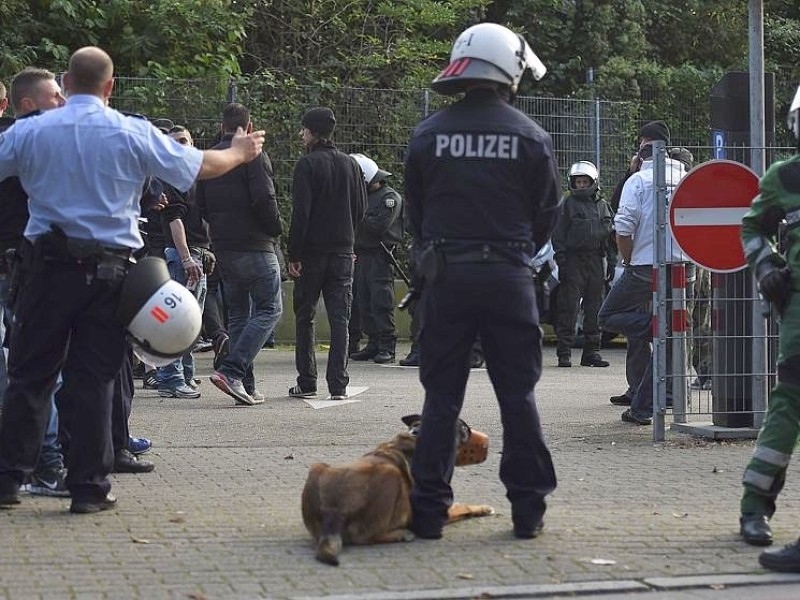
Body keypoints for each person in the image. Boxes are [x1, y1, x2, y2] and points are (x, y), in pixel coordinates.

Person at [0, 46, 265, 514]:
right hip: (109, 276)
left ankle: (8, 482)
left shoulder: (30, 132)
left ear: (66, 81)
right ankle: (89, 489)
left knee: (30, 375)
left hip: (45, 270)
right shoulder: (131, 132)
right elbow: (199, 166)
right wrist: (239, 153)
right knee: (94, 380)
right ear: (110, 86)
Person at [404, 23, 559, 540]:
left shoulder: (428, 134)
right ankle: (528, 511)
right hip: (510, 276)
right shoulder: (531, 136)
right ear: (510, 68)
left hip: (447, 276)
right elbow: (546, 215)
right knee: (518, 396)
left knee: (441, 399)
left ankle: (426, 513)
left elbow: (416, 213)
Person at [0, 68, 69, 497]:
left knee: (35, 371)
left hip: (24, 268)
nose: (63, 103)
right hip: (27, 266)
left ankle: (40, 464)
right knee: (39, 371)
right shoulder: (42, 142)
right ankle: (45, 465)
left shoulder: (28, 140)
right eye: (56, 96)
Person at [738, 85, 800, 561]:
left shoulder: (787, 175)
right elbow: (753, 226)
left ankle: (753, 508)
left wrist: (766, 267)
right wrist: (766, 268)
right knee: (786, 412)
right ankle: (754, 508)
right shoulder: (786, 176)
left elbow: (753, 227)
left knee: (785, 412)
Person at [598, 126, 687, 425]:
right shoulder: (686, 180)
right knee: (672, 335)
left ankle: (655, 328)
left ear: (644, 149)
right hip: (683, 268)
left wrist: (628, 258)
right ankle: (649, 403)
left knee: (607, 316)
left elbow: (622, 227)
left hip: (645, 267)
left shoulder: (638, 180)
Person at [198, 102, 283, 406]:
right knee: (270, 309)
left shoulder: (212, 158)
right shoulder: (252, 156)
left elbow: (202, 206)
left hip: (224, 246)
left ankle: (245, 386)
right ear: (247, 128)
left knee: (238, 314)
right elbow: (265, 198)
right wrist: (275, 229)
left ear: (222, 126)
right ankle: (232, 372)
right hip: (255, 244)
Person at [287, 107, 367, 400]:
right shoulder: (351, 165)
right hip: (343, 252)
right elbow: (361, 209)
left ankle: (307, 381)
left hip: (312, 254)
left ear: (314, 132)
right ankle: (338, 384)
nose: (301, 134)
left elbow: (301, 214)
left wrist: (294, 253)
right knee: (340, 319)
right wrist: (349, 240)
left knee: (305, 316)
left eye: (304, 130)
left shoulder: (307, 165)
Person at [156, 126, 211, 399]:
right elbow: (174, 219)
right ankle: (170, 378)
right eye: (175, 143)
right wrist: (187, 256)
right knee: (179, 320)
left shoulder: (193, 177)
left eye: (184, 141)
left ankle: (184, 374)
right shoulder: (172, 178)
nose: (181, 147)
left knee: (191, 320)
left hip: (197, 253)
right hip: (182, 256)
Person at [552, 160, 615, 368]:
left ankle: (592, 352)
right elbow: (558, 234)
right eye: (577, 182)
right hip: (573, 260)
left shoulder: (603, 206)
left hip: (596, 260)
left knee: (595, 307)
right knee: (568, 307)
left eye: (584, 181)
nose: (580, 185)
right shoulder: (567, 205)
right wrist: (561, 260)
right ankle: (564, 352)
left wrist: (611, 263)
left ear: (593, 182)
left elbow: (611, 237)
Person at [349, 153, 404, 364]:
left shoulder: (389, 198)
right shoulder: (363, 198)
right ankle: (372, 343)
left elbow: (378, 227)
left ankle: (387, 345)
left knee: (381, 300)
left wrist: (361, 215)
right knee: (363, 301)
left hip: (381, 256)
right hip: (362, 254)